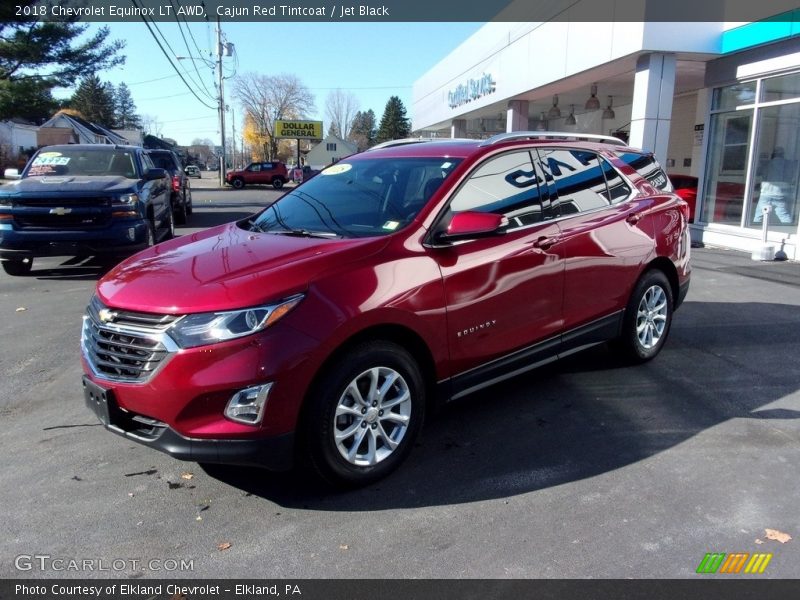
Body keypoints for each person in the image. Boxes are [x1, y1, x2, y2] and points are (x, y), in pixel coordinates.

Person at [754, 147, 796, 224]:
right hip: (782, 193)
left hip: (767, 192)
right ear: (782, 155)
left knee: (759, 214)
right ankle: (789, 229)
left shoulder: (768, 163)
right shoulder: (789, 164)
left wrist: (761, 161)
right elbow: (792, 176)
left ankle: (754, 228)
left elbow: (757, 173)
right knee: (783, 214)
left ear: (773, 154)